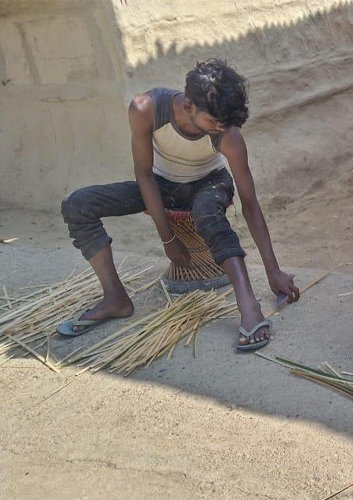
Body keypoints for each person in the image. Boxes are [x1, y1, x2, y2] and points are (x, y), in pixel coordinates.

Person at [60, 59, 299, 351]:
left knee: (207, 213)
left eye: (226, 123)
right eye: (213, 121)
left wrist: (273, 271)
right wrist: (167, 239)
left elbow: (249, 204)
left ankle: (248, 304)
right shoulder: (145, 108)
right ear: (188, 106)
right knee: (77, 204)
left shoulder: (227, 134)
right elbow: (144, 174)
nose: (220, 128)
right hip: (162, 184)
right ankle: (115, 298)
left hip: (210, 182)